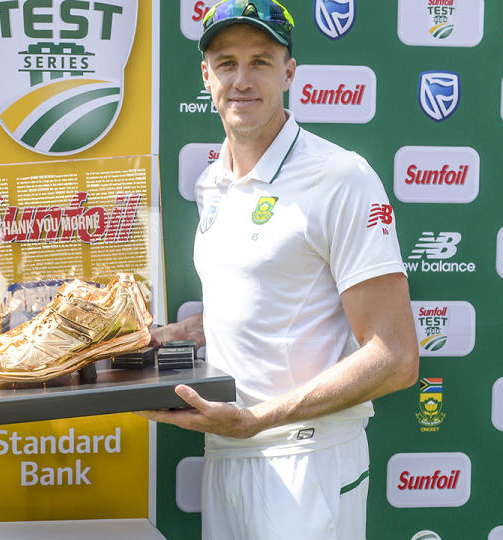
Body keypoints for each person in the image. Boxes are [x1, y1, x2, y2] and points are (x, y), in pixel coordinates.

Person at [140, 2, 419, 539]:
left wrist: (259, 420)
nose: (242, 80)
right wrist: (178, 335)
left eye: (261, 62)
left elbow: (397, 357)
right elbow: (272, 301)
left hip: (306, 457)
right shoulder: (212, 181)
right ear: (206, 76)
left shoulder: (341, 177)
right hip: (227, 452)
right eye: (226, 63)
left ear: (289, 72)